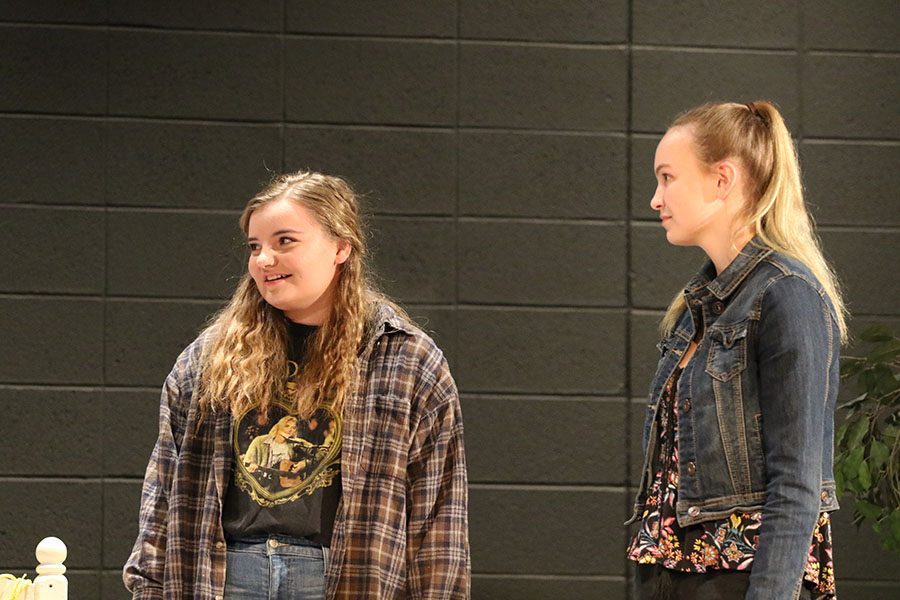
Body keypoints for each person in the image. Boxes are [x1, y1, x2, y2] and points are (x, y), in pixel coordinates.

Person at [124, 171, 470, 599]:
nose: (263, 259)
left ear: (341, 247)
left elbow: (439, 516)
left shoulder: (404, 359)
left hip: (342, 578)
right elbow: (163, 490)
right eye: (255, 247)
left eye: (284, 241)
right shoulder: (209, 358)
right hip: (224, 576)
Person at [626, 101, 847, 600]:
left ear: (721, 179)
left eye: (667, 178)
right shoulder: (694, 307)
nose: (655, 199)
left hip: (740, 579)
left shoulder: (788, 295)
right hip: (672, 573)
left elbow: (797, 482)